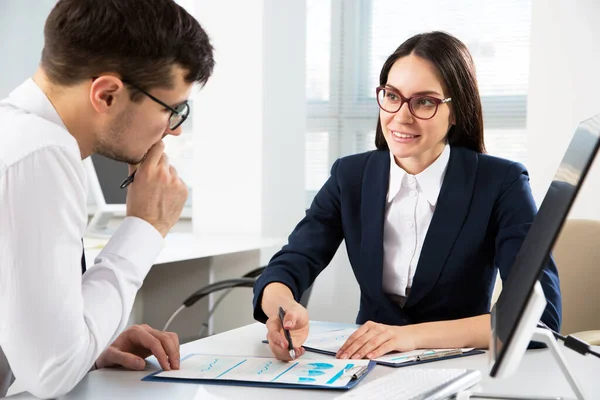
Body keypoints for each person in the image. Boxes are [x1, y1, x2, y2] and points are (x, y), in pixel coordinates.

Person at [253, 31, 561, 362]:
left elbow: (539, 318)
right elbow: (289, 264)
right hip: (367, 368)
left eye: (425, 101)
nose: (401, 116)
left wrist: (409, 337)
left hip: (461, 365)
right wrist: (284, 313)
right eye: (392, 96)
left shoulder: (501, 182)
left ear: (456, 111)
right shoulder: (351, 177)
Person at [0, 0, 214, 397]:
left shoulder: (20, 135)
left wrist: (88, 344)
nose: (174, 129)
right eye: (173, 109)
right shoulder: (41, 152)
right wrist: (146, 227)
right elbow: (51, 373)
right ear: (108, 95)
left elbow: (35, 343)